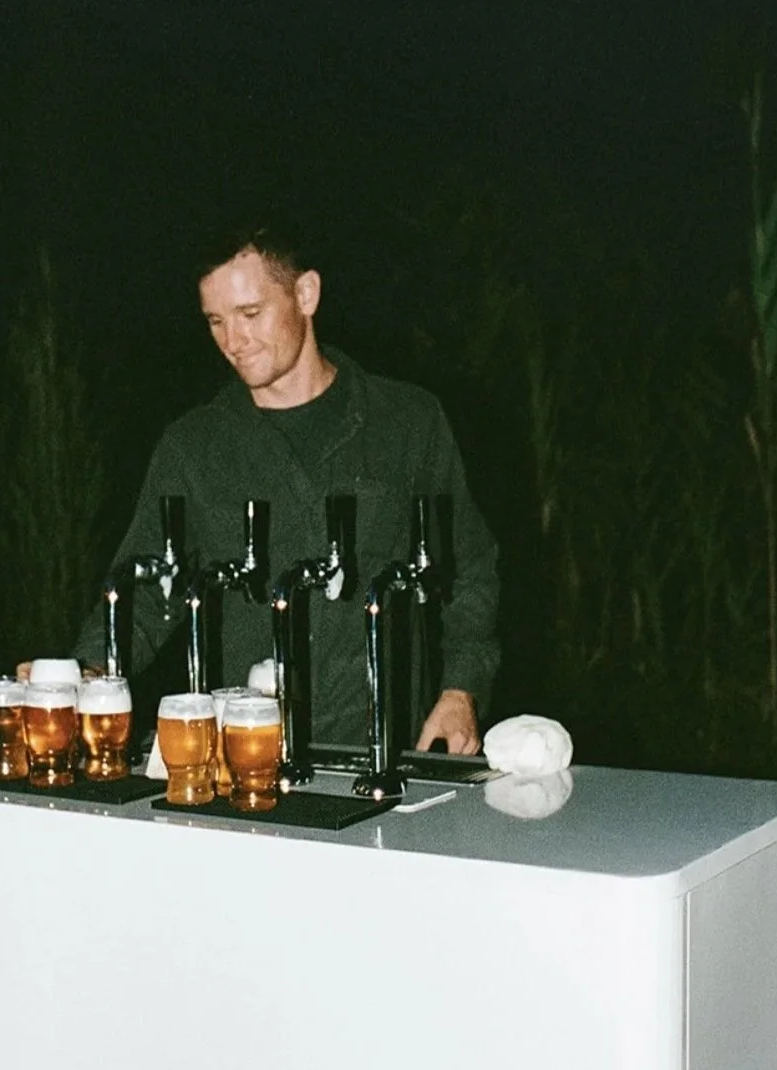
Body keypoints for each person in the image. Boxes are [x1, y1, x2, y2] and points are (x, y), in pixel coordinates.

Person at [74, 221, 499, 754]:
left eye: (250, 315)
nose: (233, 341)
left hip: (384, 750)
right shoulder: (192, 446)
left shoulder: (407, 421)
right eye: (216, 321)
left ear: (306, 293)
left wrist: (462, 689)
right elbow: (144, 594)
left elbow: (469, 568)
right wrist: (85, 674)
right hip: (246, 753)